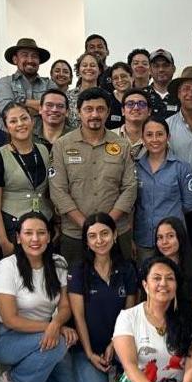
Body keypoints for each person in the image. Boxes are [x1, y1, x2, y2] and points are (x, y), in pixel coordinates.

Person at [0, 212, 78, 382]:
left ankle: (27, 372)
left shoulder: (58, 263)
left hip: (40, 335)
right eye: (28, 233)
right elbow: (11, 319)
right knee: (59, 343)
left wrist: (56, 323)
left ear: (49, 236)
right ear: (19, 238)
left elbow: (64, 306)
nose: (35, 239)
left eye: (41, 233)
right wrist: (53, 327)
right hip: (6, 336)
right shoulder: (7, 267)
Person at [49, 88, 137, 264]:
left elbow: (130, 188)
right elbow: (58, 191)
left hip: (117, 232)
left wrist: (107, 226)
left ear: (108, 112)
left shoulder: (122, 145)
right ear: (78, 112)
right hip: (75, 234)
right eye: (89, 109)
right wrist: (88, 226)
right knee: (75, 287)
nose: (95, 114)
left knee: (121, 286)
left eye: (100, 109)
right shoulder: (61, 146)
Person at [68, 213, 139, 382]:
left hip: (121, 343)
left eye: (105, 233)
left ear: (115, 235)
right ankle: (93, 373)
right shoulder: (78, 271)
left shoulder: (127, 269)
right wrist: (90, 353)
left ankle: (117, 371)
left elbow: (130, 313)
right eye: (92, 236)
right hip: (87, 348)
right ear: (86, 241)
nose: (99, 240)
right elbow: (78, 317)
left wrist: (115, 344)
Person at [0, 103, 52, 258]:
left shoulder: (46, 149)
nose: (20, 124)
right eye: (13, 121)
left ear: (32, 121)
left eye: (24, 118)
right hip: (13, 228)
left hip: (44, 224)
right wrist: (3, 241)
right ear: (6, 127)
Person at [134, 117, 192, 258]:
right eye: (149, 135)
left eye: (160, 134)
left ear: (168, 137)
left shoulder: (181, 167)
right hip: (143, 240)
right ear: (142, 138)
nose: (155, 139)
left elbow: (189, 205)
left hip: (172, 242)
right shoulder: (135, 167)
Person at [154, 218, 192, 325]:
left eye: (170, 236)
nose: (164, 242)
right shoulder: (151, 268)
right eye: (160, 237)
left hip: (186, 325)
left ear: (180, 237)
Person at [0, 37, 53, 123]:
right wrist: (42, 107)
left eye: (34, 56)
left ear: (39, 61)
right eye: (24, 55)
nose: (30, 60)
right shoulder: (5, 83)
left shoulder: (49, 84)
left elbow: (54, 110)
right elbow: (8, 112)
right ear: (15, 59)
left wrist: (21, 101)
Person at [145, 49, 180, 120]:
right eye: (156, 66)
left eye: (165, 65)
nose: (161, 69)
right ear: (150, 70)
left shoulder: (182, 94)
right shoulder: (141, 95)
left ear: (174, 69)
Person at [114, 88, 149, 159]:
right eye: (130, 104)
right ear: (123, 111)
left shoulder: (158, 140)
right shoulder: (109, 137)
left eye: (141, 104)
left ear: (149, 111)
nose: (136, 108)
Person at [104, 61, 133, 130]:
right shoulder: (106, 100)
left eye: (123, 76)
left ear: (132, 77)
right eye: (115, 78)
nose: (120, 80)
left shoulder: (141, 98)